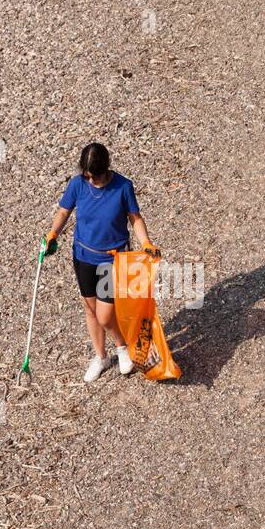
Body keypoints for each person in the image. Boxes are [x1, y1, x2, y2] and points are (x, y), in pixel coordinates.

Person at [42, 142, 158, 383]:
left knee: (105, 315)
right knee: (90, 309)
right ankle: (100, 356)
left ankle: (122, 346)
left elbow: (135, 218)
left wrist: (146, 242)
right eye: (86, 175)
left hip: (111, 260)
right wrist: (52, 234)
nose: (89, 179)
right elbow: (64, 212)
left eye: (93, 176)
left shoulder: (123, 187)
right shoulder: (77, 184)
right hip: (83, 256)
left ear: (105, 170)